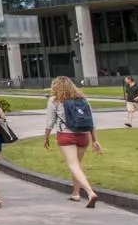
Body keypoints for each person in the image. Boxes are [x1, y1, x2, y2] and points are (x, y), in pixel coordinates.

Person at [44, 75, 104, 207]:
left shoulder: (55, 100)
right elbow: (91, 122)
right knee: (77, 165)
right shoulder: (83, 99)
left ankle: (90, 192)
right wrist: (95, 140)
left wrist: (46, 137)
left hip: (66, 135)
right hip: (83, 135)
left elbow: (50, 122)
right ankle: (75, 193)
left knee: (73, 165)